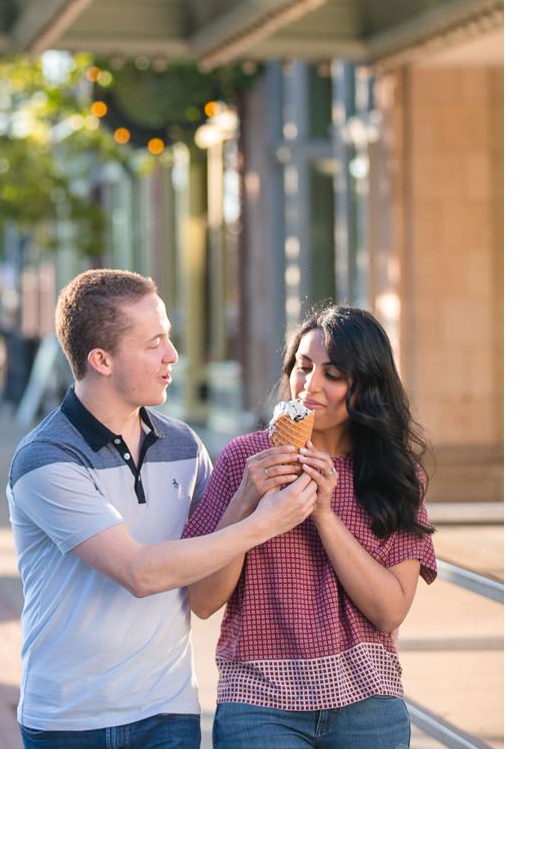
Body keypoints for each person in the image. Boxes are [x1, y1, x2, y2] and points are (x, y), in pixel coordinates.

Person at [6, 269, 315, 749]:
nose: (172, 355)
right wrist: (262, 523)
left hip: (168, 711)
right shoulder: (45, 459)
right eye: (154, 344)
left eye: (168, 338)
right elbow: (139, 573)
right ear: (102, 359)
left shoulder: (184, 446)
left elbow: (209, 586)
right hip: (70, 719)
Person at [185, 305, 436, 749]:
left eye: (333, 374)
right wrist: (248, 498)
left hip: (368, 702)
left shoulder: (394, 475)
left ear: (367, 387)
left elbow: (389, 611)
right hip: (259, 703)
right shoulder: (244, 461)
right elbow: (203, 601)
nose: (310, 385)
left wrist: (324, 513)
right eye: (303, 368)